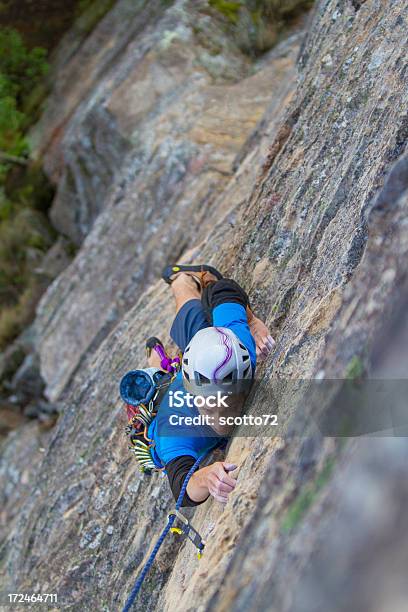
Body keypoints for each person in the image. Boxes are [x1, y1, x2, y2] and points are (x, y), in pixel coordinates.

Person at [121, 265, 275, 506]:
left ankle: (159, 360)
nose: (219, 417)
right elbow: (182, 486)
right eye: (208, 407)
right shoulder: (175, 427)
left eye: (226, 403)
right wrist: (205, 478)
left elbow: (225, 291)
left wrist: (252, 321)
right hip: (174, 395)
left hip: (202, 359)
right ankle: (180, 281)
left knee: (194, 322)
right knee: (148, 445)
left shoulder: (237, 348)